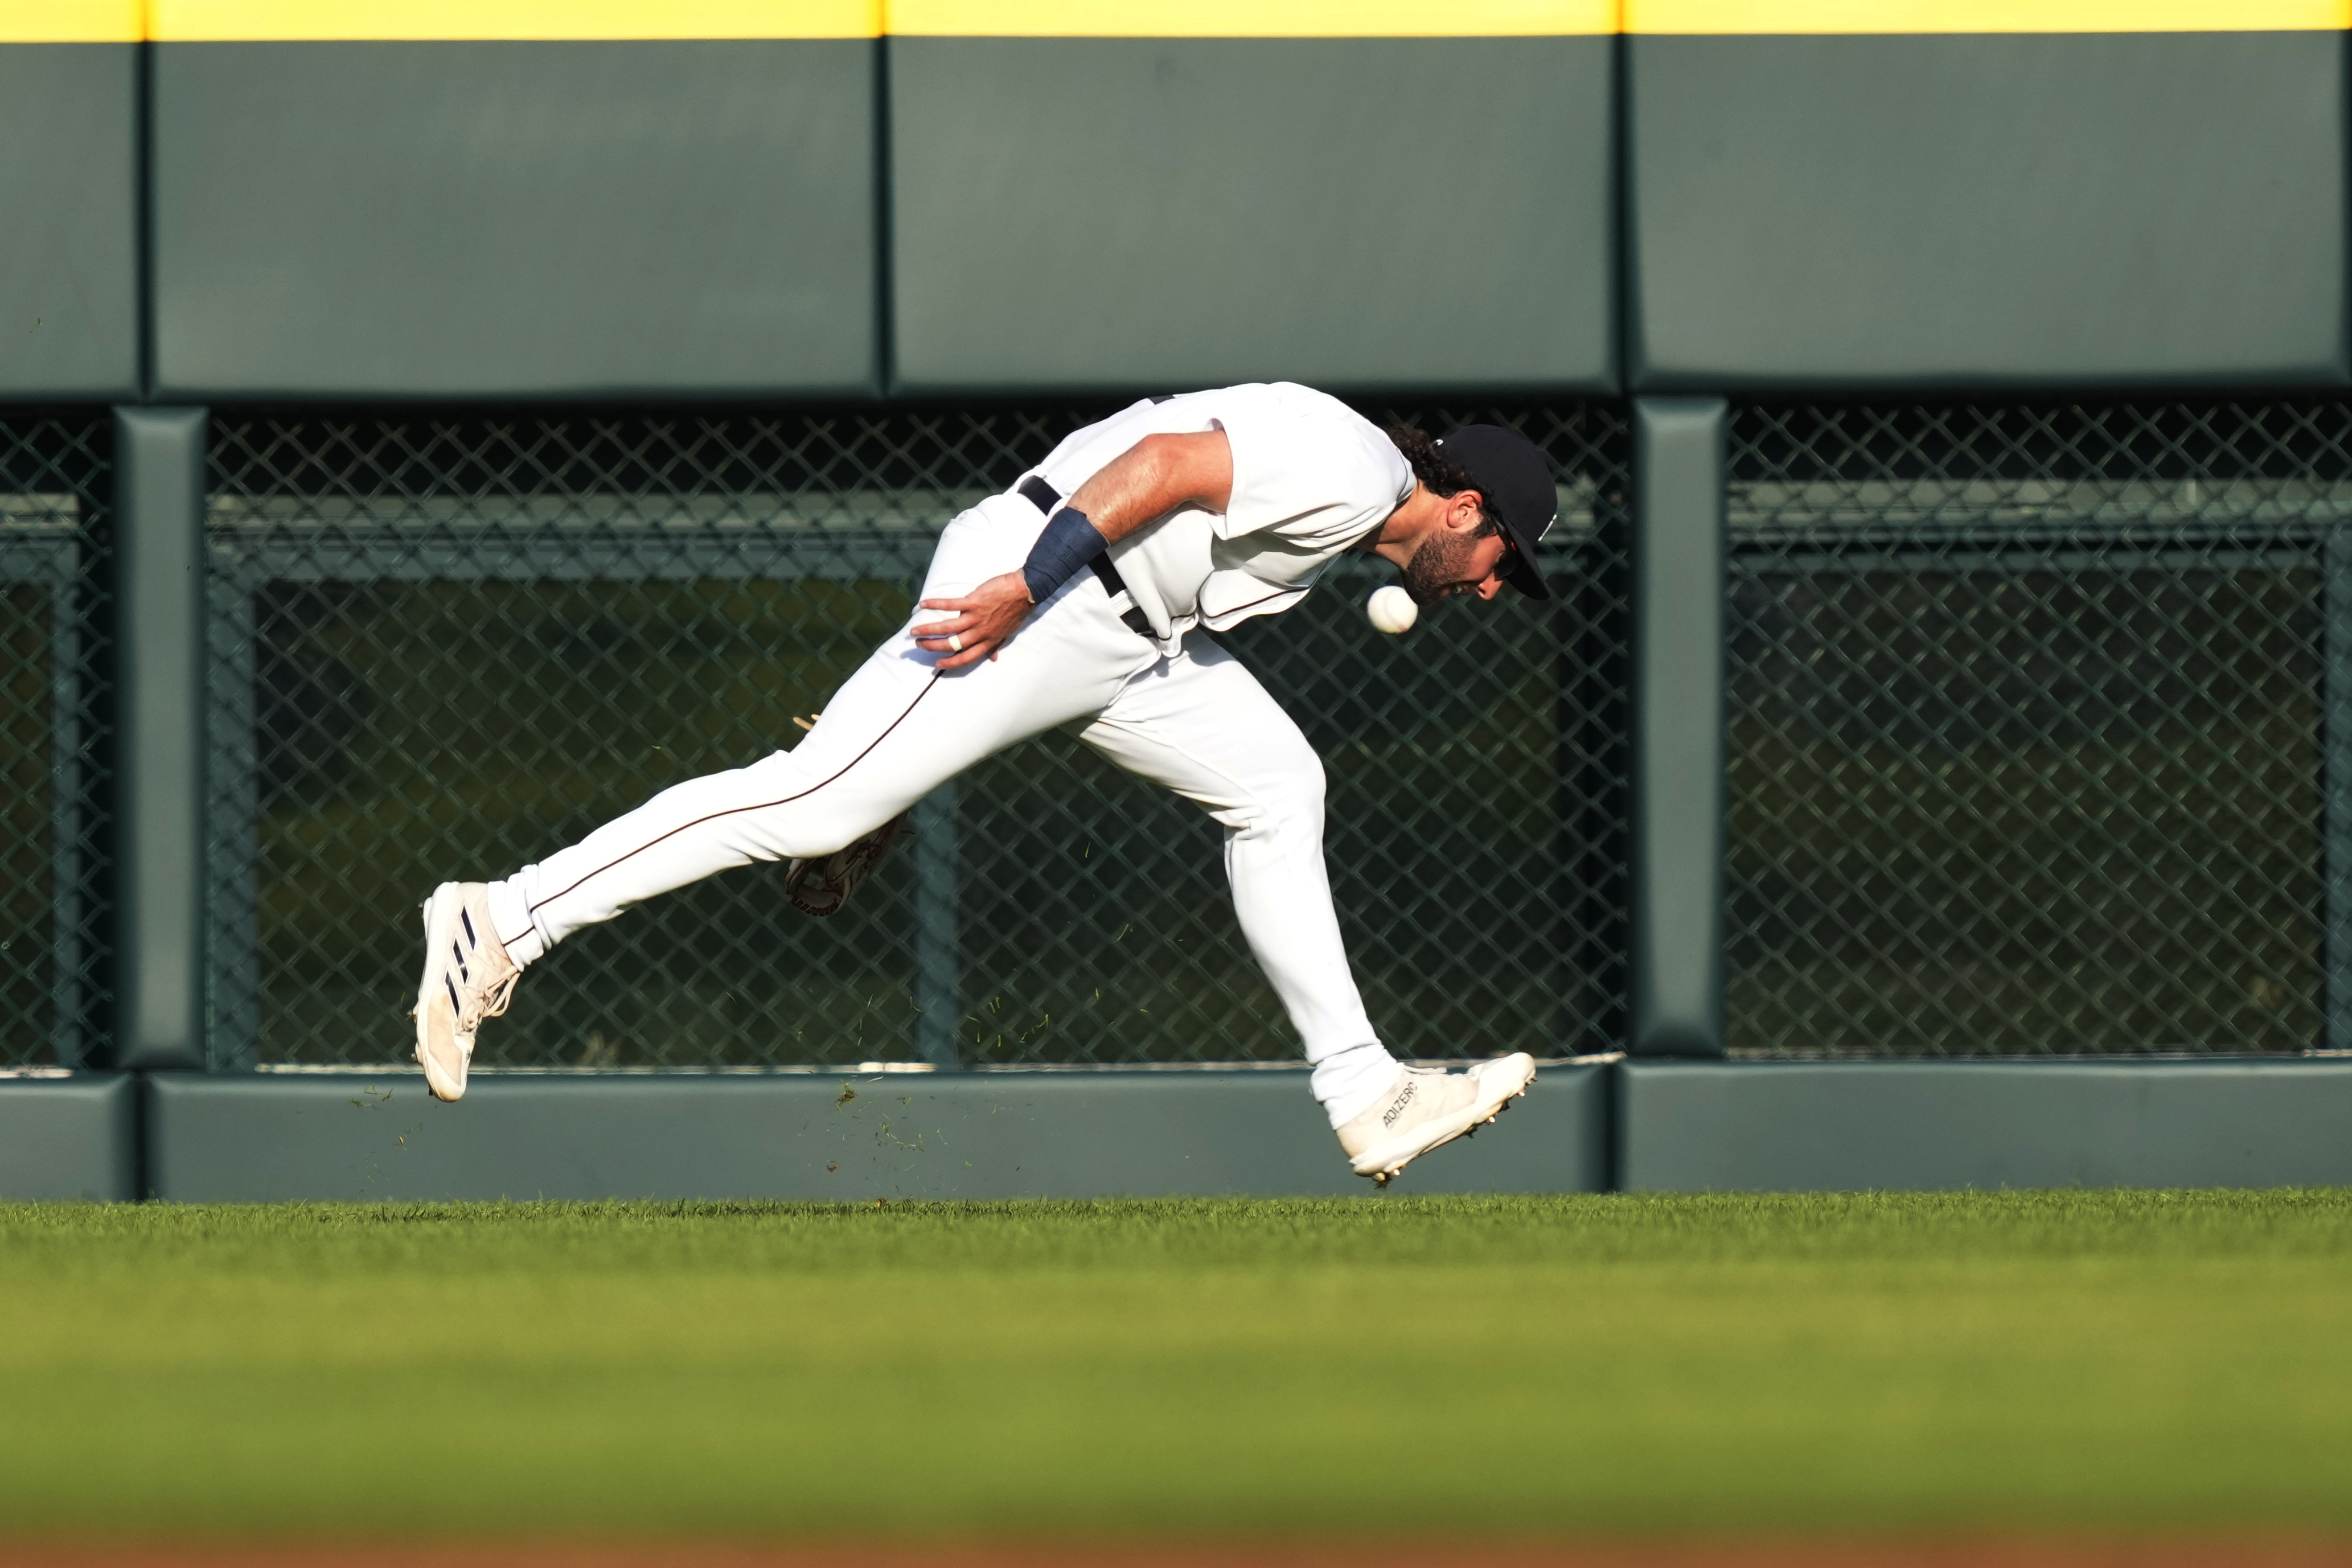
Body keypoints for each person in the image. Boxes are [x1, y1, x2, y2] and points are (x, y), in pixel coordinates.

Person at [411, 382, 1558, 1185]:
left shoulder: (1353, 506)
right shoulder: (1351, 467)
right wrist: (1027, 584)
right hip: (1048, 585)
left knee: (1276, 786)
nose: (1497, 587)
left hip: (1125, 637)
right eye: (1506, 557)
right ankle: (500, 918)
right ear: (1464, 511)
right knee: (815, 798)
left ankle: (1365, 1092)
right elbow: (1159, 468)